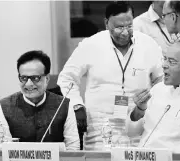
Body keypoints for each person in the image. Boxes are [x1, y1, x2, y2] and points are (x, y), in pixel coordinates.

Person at [57, 1, 163, 150]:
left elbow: (162, 80)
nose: (125, 32)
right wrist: (76, 105)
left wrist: (153, 102)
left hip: (138, 127)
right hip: (100, 130)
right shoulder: (91, 45)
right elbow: (67, 78)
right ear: (107, 23)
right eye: (119, 27)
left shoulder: (148, 45)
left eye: (129, 25)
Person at [0, 51, 80, 150]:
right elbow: (2, 149)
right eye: (24, 78)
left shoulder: (64, 105)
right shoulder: (4, 106)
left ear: (47, 79)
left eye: (35, 78)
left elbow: (73, 148)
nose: (28, 84)